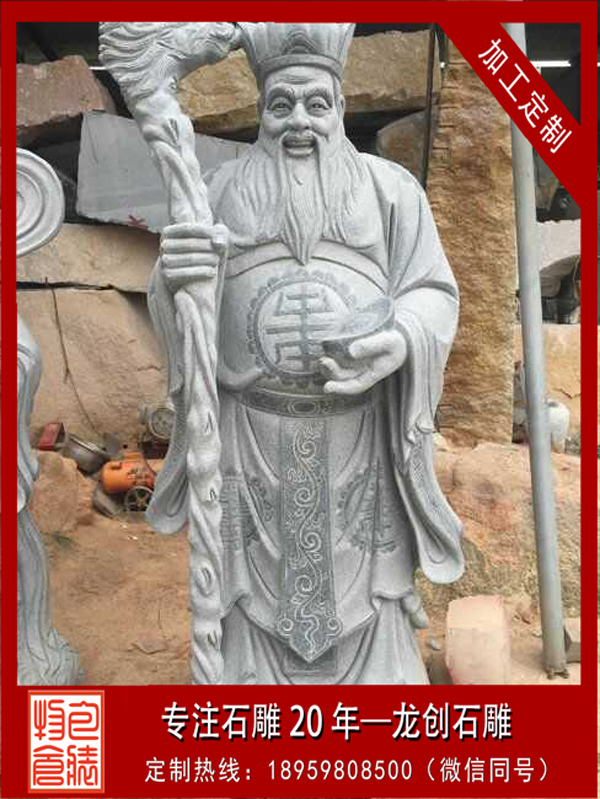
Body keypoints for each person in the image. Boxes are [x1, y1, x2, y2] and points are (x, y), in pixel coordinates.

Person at [147, 22, 463, 684]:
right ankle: (250, 689)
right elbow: (179, 305)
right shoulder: (216, 190)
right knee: (249, 596)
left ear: (340, 107)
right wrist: (175, 277)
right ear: (261, 112)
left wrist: (401, 338)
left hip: (360, 435)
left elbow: (432, 290)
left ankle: (377, 688)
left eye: (316, 104)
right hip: (251, 437)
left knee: (368, 591)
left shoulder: (390, 190)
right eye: (281, 104)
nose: (299, 121)